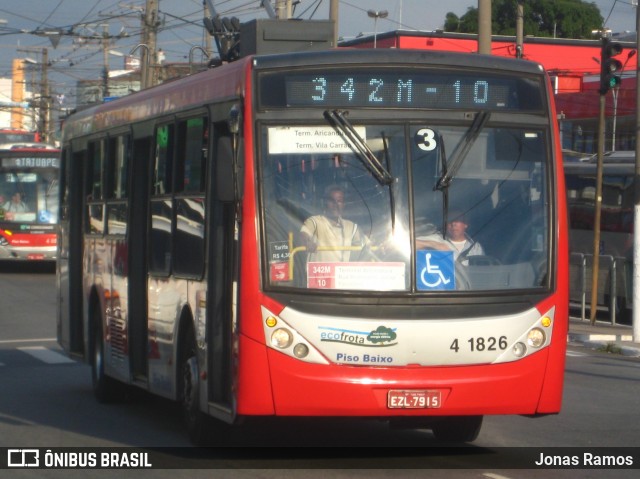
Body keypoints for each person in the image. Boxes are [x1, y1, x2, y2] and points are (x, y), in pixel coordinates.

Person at [300, 185, 365, 262]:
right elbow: (304, 234)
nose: (336, 205)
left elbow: (366, 244)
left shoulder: (351, 227)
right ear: (325, 203)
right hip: (318, 273)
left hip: (342, 273)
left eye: (339, 201)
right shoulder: (315, 221)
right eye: (331, 201)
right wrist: (308, 242)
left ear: (344, 204)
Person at [416, 211, 484, 265]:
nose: (453, 224)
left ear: (465, 224)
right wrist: (434, 245)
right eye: (450, 220)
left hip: (468, 282)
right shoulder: (438, 239)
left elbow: (482, 269)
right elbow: (408, 243)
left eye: (457, 220)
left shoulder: (475, 247)